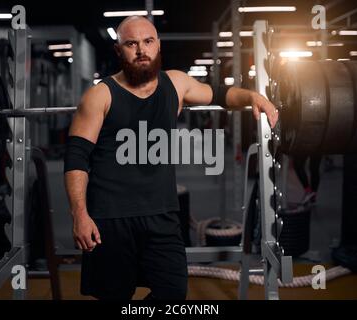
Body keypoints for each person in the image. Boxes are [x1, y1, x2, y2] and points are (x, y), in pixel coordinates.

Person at [63, 16, 278, 301]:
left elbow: (221, 93)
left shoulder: (176, 84)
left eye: (148, 41)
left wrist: (253, 96)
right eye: (131, 44)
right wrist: (80, 214)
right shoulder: (99, 96)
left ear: (158, 45)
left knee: (172, 292)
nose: (141, 50)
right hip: (110, 219)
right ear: (119, 51)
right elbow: (77, 157)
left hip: (161, 215)